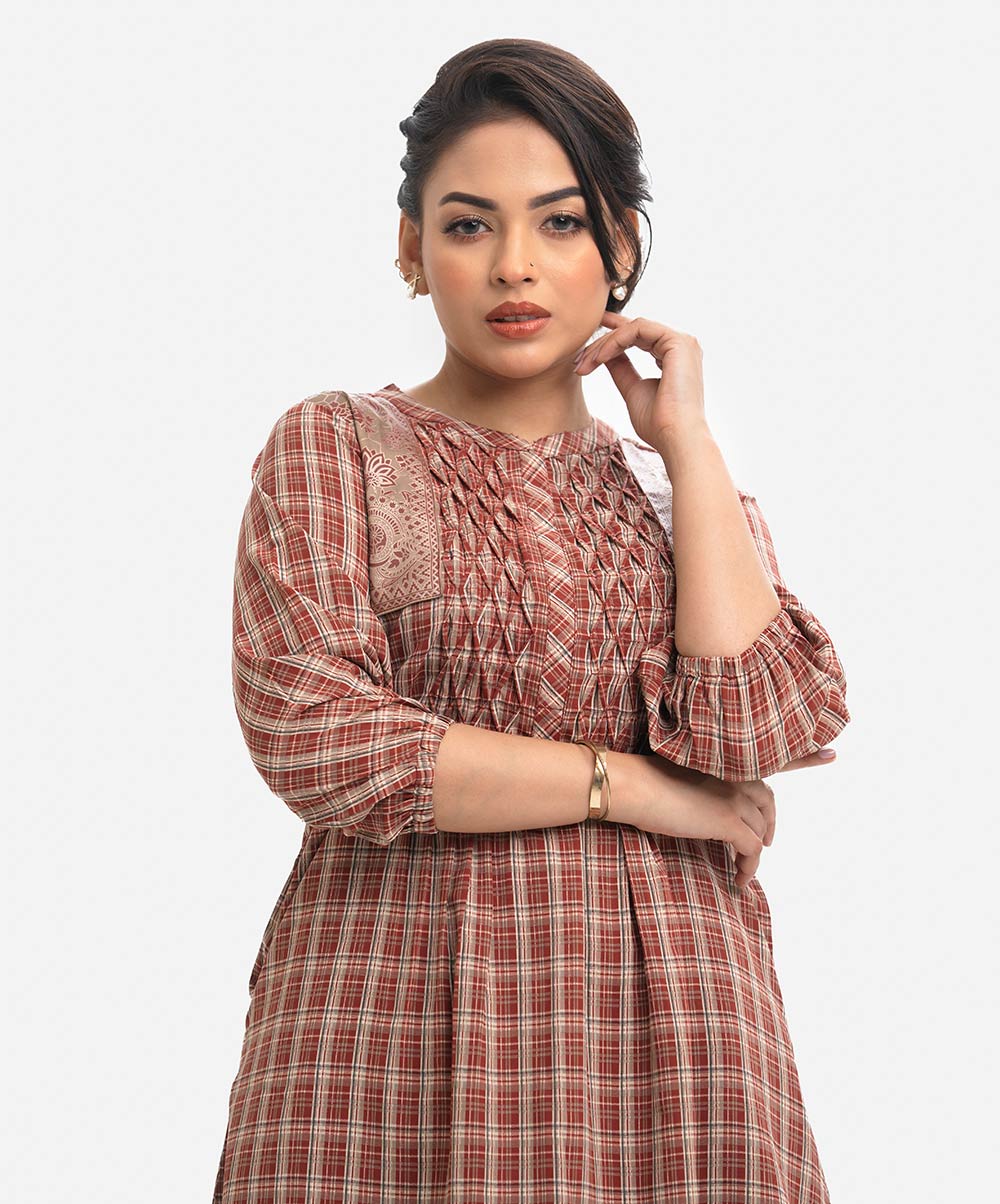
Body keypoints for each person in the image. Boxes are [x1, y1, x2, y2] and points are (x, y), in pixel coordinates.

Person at [212, 37, 851, 1204]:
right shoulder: (340, 446)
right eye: (468, 225)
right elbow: (317, 734)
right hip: (387, 1027)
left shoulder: (682, 496)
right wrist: (636, 788)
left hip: (681, 1040)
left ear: (621, 250)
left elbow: (749, 734)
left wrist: (688, 445)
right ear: (411, 250)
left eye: (561, 223)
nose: (515, 264)